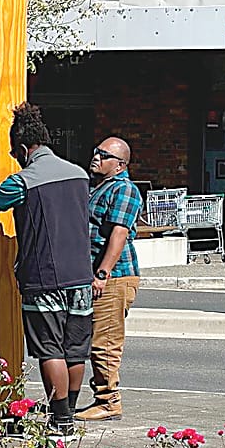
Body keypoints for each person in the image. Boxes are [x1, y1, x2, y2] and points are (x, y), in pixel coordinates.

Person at [0, 102, 93, 439]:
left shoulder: (25, 180)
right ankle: (68, 414)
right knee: (74, 350)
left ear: (25, 148)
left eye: (16, 152)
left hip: (44, 277)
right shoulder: (79, 174)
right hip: (80, 275)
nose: (16, 157)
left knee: (49, 349)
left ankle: (59, 423)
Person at [76, 136, 142, 422]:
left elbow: (118, 234)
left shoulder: (124, 189)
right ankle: (100, 398)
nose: (96, 157)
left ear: (120, 164)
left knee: (105, 341)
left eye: (103, 155)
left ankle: (108, 401)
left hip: (114, 277)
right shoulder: (98, 187)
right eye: (96, 151)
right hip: (94, 273)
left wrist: (102, 273)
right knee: (92, 339)